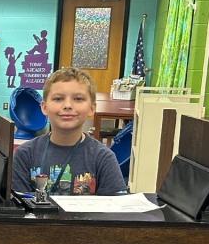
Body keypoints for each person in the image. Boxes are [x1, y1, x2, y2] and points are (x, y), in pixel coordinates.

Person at [12, 67, 126, 196]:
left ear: (91, 108)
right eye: (58, 99)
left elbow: (116, 211)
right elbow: (16, 207)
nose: (67, 105)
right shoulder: (25, 154)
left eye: (78, 99)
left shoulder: (103, 158)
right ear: (44, 107)